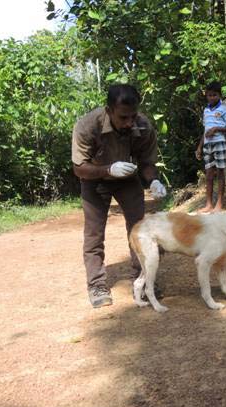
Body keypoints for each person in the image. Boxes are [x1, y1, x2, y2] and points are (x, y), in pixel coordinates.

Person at [72, 84, 167, 308]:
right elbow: (79, 168)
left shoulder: (142, 126)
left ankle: (142, 280)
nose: (130, 123)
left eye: (133, 116)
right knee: (94, 233)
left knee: (139, 229)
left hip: (127, 179)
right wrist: (107, 169)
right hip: (94, 180)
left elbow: (146, 163)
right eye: (123, 117)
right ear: (109, 110)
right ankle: (96, 284)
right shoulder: (87, 126)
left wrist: (152, 180)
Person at [195, 81, 226, 213]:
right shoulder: (205, 110)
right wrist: (199, 147)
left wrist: (216, 129)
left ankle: (220, 204)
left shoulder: (225, 109)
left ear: (219, 95)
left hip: (220, 143)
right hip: (207, 145)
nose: (211, 98)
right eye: (209, 95)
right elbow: (205, 130)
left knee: (221, 173)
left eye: (214, 95)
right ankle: (209, 204)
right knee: (209, 174)